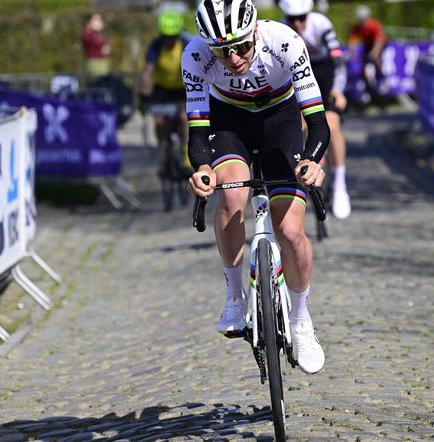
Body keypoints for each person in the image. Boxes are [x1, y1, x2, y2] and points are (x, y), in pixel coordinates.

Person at [183, 0, 330, 374]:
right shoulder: (195, 56)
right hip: (228, 122)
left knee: (290, 230)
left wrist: (311, 160)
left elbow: (317, 122)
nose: (233, 59)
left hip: (281, 120)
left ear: (255, 32)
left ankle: (301, 320)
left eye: (242, 47)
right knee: (232, 195)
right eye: (222, 52)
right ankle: (234, 296)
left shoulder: (284, 41)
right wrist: (202, 170)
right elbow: (197, 133)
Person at [279, 0, 351, 219]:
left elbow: (338, 62)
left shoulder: (321, 24)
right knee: (299, 124)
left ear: (309, 14)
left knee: (332, 124)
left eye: (301, 18)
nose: (297, 23)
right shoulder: (281, 30)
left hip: (324, 73)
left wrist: (338, 90)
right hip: (297, 75)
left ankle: (340, 185)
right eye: (292, 19)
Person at [140, 10, 191, 177]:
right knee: (159, 121)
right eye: (165, 37)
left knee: (184, 117)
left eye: (173, 37)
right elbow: (148, 72)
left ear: (179, 35)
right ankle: (164, 151)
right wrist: (144, 97)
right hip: (162, 90)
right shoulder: (156, 46)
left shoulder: (185, 44)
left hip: (182, 89)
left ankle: (186, 155)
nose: (169, 41)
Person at [348, 4, 386, 104]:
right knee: (364, 67)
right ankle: (368, 89)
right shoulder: (358, 27)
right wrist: (352, 53)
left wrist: (375, 53)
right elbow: (352, 40)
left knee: (377, 62)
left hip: (378, 46)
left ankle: (382, 79)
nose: (361, 22)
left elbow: (379, 41)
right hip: (367, 46)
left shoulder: (374, 25)